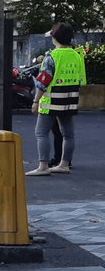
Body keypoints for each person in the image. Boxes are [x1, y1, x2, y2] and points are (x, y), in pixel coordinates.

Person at [26, 22, 86, 176]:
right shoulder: (77, 55)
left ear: (55, 38)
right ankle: (64, 164)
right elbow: (81, 80)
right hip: (69, 100)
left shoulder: (52, 56)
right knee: (68, 134)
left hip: (50, 101)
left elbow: (43, 82)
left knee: (41, 132)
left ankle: (43, 166)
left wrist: (35, 101)